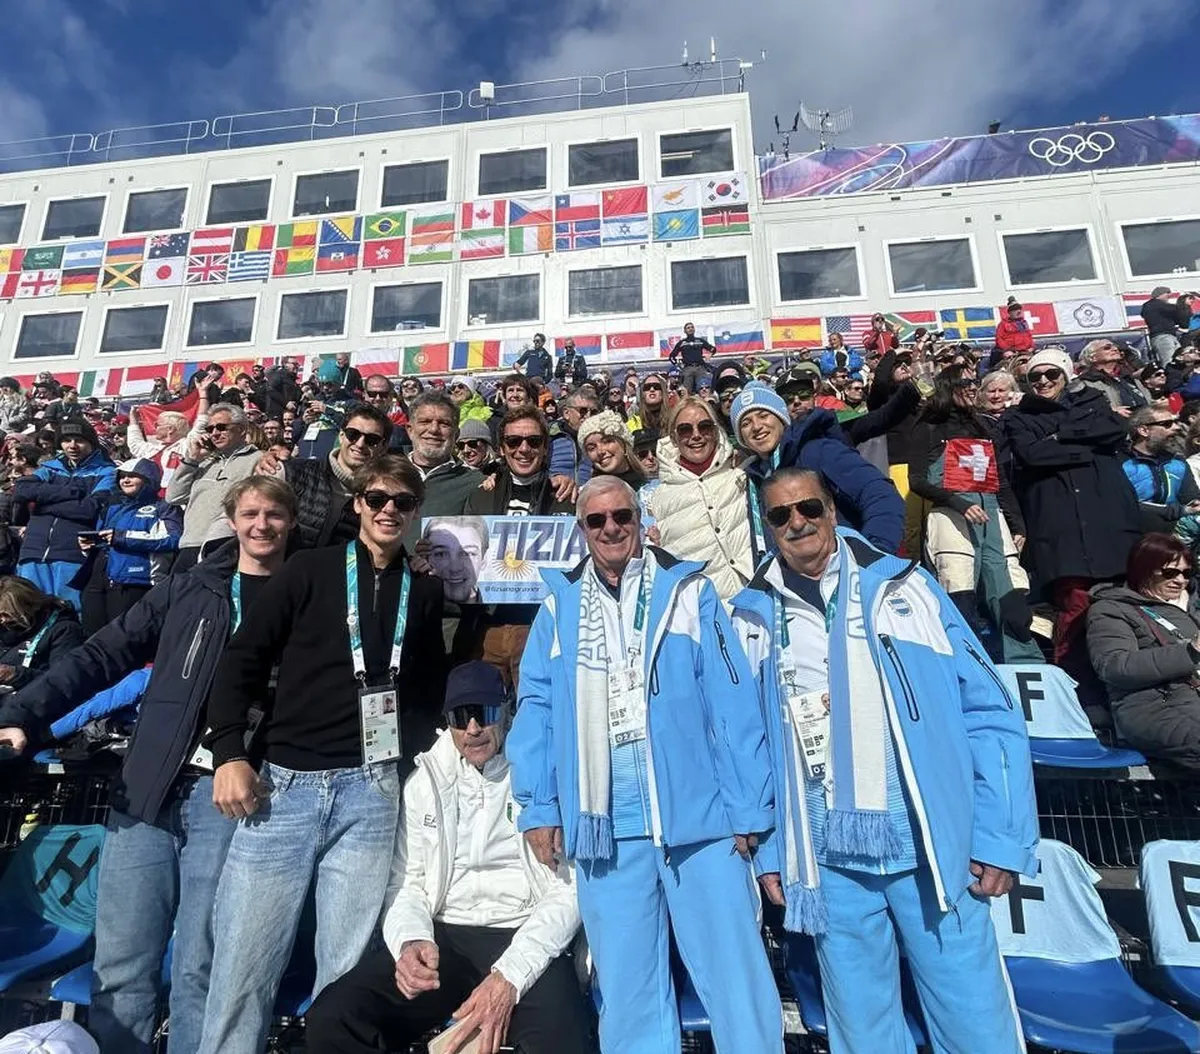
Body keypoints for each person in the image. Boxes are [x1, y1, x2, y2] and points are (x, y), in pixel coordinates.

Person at [730, 467, 1036, 1054]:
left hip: (928, 849)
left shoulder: (907, 588)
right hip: (827, 860)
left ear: (831, 510)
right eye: (780, 515)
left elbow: (989, 712)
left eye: (808, 508)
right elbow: (752, 747)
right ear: (766, 528)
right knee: (863, 1029)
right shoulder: (751, 616)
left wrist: (1001, 835)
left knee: (974, 1022)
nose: (797, 523)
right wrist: (770, 848)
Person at [0, 477, 297, 1054]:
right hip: (146, 788)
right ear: (231, 519)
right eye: (250, 513)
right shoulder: (189, 588)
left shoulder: (304, 596)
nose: (262, 525)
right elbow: (100, 656)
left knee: (199, 968)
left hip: (229, 795)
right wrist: (23, 715)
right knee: (121, 967)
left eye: (275, 515)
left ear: (291, 523)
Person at [508, 475, 784, 1054]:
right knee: (629, 995)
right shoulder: (558, 606)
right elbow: (537, 710)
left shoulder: (689, 592)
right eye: (596, 520)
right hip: (606, 829)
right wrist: (539, 805)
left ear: (640, 521)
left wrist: (748, 807)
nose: (611, 528)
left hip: (700, 824)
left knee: (737, 983)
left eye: (622, 516)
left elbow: (732, 703)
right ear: (581, 530)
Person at [197, 457, 447, 1054]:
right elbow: (242, 660)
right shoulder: (309, 569)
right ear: (358, 503)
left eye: (403, 502)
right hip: (285, 789)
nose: (389, 510)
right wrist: (229, 751)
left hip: (372, 793)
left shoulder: (424, 590)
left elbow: (425, 692)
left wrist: (405, 768)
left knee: (345, 977)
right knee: (242, 971)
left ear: (415, 512)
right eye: (377, 498)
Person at [305, 661, 595, 1054]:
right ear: (448, 722)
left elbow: (571, 888)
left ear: (506, 711)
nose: (473, 728)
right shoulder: (425, 781)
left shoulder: (545, 777)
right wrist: (411, 940)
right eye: (461, 717)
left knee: (565, 1042)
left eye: (484, 713)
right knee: (334, 1017)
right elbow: (406, 882)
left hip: (526, 930)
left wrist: (511, 974)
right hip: (447, 937)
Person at [1003, 347, 1142, 679]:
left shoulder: (1093, 400)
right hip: (1061, 528)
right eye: (1035, 376)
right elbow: (1032, 454)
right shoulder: (1019, 416)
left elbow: (1115, 430)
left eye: (1051, 373)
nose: (1043, 381)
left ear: (1066, 375)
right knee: (1074, 609)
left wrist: (1059, 435)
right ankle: (1078, 685)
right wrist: (1087, 446)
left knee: (1125, 605)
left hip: (1107, 521)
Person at [908, 367, 1040, 662]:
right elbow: (916, 481)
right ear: (949, 385)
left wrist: (1017, 524)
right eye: (966, 381)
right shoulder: (928, 427)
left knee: (1010, 592)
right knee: (959, 589)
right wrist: (958, 503)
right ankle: (968, 663)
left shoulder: (980, 426)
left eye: (975, 382)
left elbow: (999, 481)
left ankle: (1023, 661)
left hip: (991, 515)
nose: (972, 387)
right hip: (950, 516)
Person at [462, 408, 574, 685]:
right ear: (502, 448)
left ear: (545, 448)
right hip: (489, 627)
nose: (524, 449)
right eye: (513, 441)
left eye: (533, 441)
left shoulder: (565, 495)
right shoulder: (480, 495)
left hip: (543, 626)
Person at [731, 383, 904, 561]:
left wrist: (875, 553)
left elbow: (879, 493)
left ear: (781, 418)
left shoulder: (818, 451)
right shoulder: (752, 478)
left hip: (844, 567)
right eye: (746, 423)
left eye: (763, 416)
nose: (756, 426)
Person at [1087, 533, 1200, 774]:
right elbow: (1114, 666)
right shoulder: (1110, 609)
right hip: (1155, 707)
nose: (1180, 580)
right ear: (1144, 570)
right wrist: (1190, 652)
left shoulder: (1185, 610)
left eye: (1186, 573)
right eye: (1170, 572)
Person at [641, 397, 753, 604]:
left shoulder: (742, 473)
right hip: (708, 609)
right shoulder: (658, 498)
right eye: (685, 429)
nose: (696, 435)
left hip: (758, 600)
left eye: (705, 426)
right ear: (674, 437)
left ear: (715, 430)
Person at [12, 420, 117, 609]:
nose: (72, 446)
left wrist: (43, 506)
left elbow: (88, 509)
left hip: (71, 555)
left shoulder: (106, 472)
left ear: (92, 443)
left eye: (79, 440)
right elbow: (21, 491)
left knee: (71, 612)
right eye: (67, 440)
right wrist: (72, 492)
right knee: (30, 612)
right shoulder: (50, 468)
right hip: (33, 552)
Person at [80, 459, 183, 636]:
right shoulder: (112, 507)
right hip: (99, 579)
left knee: (124, 638)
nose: (125, 480)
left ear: (149, 478)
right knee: (92, 636)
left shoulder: (164, 507)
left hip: (137, 581)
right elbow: (106, 539)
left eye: (133, 476)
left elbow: (173, 539)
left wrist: (123, 537)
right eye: (122, 477)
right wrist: (89, 546)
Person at [269, 404, 392, 550]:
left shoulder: (383, 496)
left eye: (372, 440)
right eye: (353, 434)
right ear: (341, 436)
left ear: (384, 447)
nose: (360, 444)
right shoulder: (291, 473)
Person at [167, 404, 264, 571]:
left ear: (241, 429)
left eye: (221, 427)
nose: (214, 433)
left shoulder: (258, 459)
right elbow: (173, 497)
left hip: (227, 545)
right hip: (190, 545)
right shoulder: (203, 462)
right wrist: (191, 460)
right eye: (210, 429)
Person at [402, 391, 484, 548]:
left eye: (444, 423)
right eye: (425, 421)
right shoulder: (386, 475)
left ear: (456, 434)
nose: (434, 429)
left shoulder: (475, 482)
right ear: (410, 430)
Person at [0, 576, 85, 694]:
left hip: (32, 697)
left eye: (6, 615)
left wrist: (14, 674)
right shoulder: (4, 629)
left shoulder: (64, 631)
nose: (2, 621)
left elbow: (63, 681)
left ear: (28, 606)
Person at [126, 408, 197, 497]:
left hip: (177, 499)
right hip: (153, 499)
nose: (154, 427)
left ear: (170, 429)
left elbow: (200, 427)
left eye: (157, 424)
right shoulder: (155, 449)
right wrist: (133, 418)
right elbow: (135, 444)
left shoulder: (187, 446)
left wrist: (203, 400)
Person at [423, 518, 488, 605]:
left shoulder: (499, 611)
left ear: (484, 560)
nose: (455, 568)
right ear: (426, 559)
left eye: (467, 554)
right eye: (441, 554)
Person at [577, 410, 646, 491]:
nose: (600, 451)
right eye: (591, 448)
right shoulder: (588, 493)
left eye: (607, 441)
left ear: (624, 443)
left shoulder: (651, 486)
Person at [1076, 338, 1147, 415]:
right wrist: (1110, 410)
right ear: (1093, 358)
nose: (1115, 349)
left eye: (1116, 347)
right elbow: (1082, 409)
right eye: (1107, 348)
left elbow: (1148, 399)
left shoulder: (1129, 377)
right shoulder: (1086, 382)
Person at [550, 389, 598, 485]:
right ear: (566, 413)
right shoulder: (550, 437)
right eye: (583, 411)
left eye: (593, 412)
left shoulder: (600, 440)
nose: (588, 416)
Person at [1141, 287, 1191, 365]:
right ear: (1159, 294)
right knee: (1169, 362)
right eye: (1167, 293)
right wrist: (1184, 305)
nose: (1169, 295)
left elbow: (1182, 322)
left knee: (1180, 361)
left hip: (1171, 336)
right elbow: (1175, 309)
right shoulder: (1152, 304)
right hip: (1162, 337)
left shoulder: (1163, 310)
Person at [667, 322, 716, 395]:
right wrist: (678, 366)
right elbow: (672, 356)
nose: (690, 329)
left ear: (694, 329)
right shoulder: (682, 343)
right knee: (686, 391)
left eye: (692, 327)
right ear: (685, 331)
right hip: (687, 369)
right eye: (688, 328)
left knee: (703, 388)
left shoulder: (700, 341)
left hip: (700, 368)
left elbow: (713, 349)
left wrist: (710, 355)